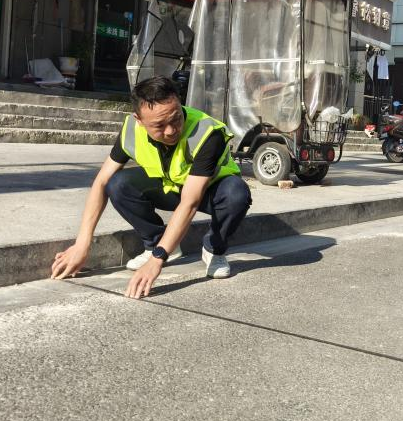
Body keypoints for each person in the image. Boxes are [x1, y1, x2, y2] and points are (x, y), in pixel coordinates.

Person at [51, 76, 252, 299]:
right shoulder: (131, 129)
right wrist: (82, 244)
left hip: (210, 191)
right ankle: (158, 242)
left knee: (237, 195)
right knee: (117, 184)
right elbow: (100, 181)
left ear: (178, 103)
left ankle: (214, 248)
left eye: (175, 119)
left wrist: (157, 260)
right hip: (170, 187)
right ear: (139, 120)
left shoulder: (206, 132)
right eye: (159, 125)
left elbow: (190, 202)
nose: (171, 131)